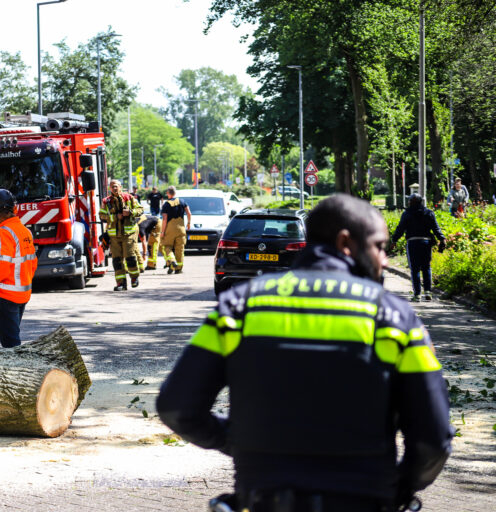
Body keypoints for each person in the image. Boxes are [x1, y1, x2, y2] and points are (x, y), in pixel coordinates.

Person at [157, 194, 452, 512]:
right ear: (345, 242)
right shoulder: (394, 317)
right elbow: (433, 439)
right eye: (379, 247)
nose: (384, 260)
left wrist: (239, 440)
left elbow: (177, 407)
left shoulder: (239, 307)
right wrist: (400, 486)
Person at [0, 189, 38, 348]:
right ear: (15, 209)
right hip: (22, 293)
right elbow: (32, 263)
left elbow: (3, 264)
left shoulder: (3, 233)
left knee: (10, 344)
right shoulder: (25, 231)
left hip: (6, 295)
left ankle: (19, 371)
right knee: (14, 338)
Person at [391, 193, 446, 302]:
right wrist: (442, 239)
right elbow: (436, 228)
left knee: (415, 268)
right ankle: (428, 292)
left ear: (411, 202)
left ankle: (417, 294)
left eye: (409, 201)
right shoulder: (429, 213)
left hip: (413, 243)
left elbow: (400, 229)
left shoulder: (407, 214)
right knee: (426, 267)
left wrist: (394, 240)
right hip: (426, 242)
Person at [99, 180, 143, 291]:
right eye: (112, 187)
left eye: (116, 186)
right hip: (114, 236)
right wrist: (114, 217)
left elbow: (140, 209)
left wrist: (131, 212)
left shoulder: (129, 198)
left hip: (129, 234)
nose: (114, 188)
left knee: (130, 256)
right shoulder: (106, 201)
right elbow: (101, 216)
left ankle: (134, 278)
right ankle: (121, 283)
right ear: (110, 188)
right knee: (117, 260)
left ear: (120, 187)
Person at [160, 186, 191, 274]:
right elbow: (189, 213)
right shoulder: (182, 201)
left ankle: (172, 260)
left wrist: (162, 232)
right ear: (175, 193)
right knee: (180, 249)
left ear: (168, 193)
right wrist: (188, 223)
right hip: (181, 228)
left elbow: (165, 219)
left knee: (167, 246)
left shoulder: (166, 204)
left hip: (170, 229)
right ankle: (179, 268)